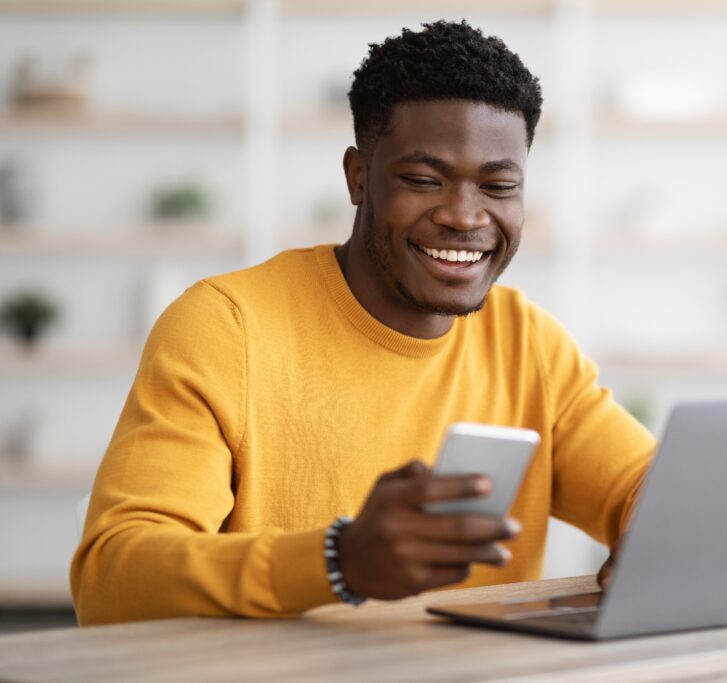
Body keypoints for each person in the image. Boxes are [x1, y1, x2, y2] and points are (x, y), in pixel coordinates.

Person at [71, 20, 656, 626]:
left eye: (498, 185)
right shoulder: (227, 327)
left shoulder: (528, 343)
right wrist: (338, 562)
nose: (464, 216)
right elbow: (112, 577)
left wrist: (660, 533)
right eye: (423, 180)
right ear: (357, 177)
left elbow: (647, 485)